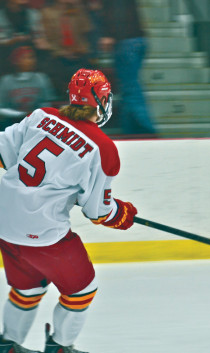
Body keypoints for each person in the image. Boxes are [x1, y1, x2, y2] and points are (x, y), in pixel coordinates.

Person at [0, 68, 137, 352]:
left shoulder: (41, 116)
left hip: (4, 222)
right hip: (43, 232)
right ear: (100, 101)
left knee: (28, 288)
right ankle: (61, 347)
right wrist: (122, 214)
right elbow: (98, 212)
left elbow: (5, 155)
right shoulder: (102, 148)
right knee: (81, 290)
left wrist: (52, 183)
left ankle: (8, 345)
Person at [99, 0, 157, 136]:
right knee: (127, 87)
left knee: (130, 89)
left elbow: (118, 12)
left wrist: (110, 33)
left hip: (126, 41)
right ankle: (129, 130)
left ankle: (147, 129)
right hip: (136, 39)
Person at [40, 0, 93, 96]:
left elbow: (86, 31)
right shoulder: (47, 13)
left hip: (79, 55)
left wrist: (78, 8)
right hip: (57, 57)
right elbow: (46, 39)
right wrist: (62, 52)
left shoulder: (78, 11)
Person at [0, 45, 55, 130]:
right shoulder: (6, 81)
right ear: (16, 61)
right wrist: (21, 114)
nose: (31, 61)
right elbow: (2, 108)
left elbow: (48, 103)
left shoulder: (41, 78)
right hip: (12, 123)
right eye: (26, 58)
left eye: (32, 57)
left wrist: (35, 114)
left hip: (38, 122)